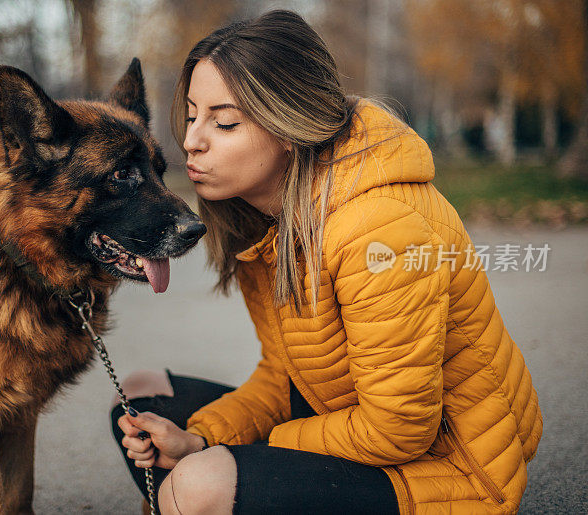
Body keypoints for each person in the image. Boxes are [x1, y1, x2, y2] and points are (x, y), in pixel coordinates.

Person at [110, 9, 542, 515]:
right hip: (345, 424)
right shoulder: (272, 220)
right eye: (191, 114)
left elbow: (399, 429)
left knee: (201, 483)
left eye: (224, 122)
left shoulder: (377, 229)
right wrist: (199, 436)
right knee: (142, 402)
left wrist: (228, 455)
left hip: (453, 471)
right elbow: (285, 375)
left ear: (289, 128)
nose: (191, 141)